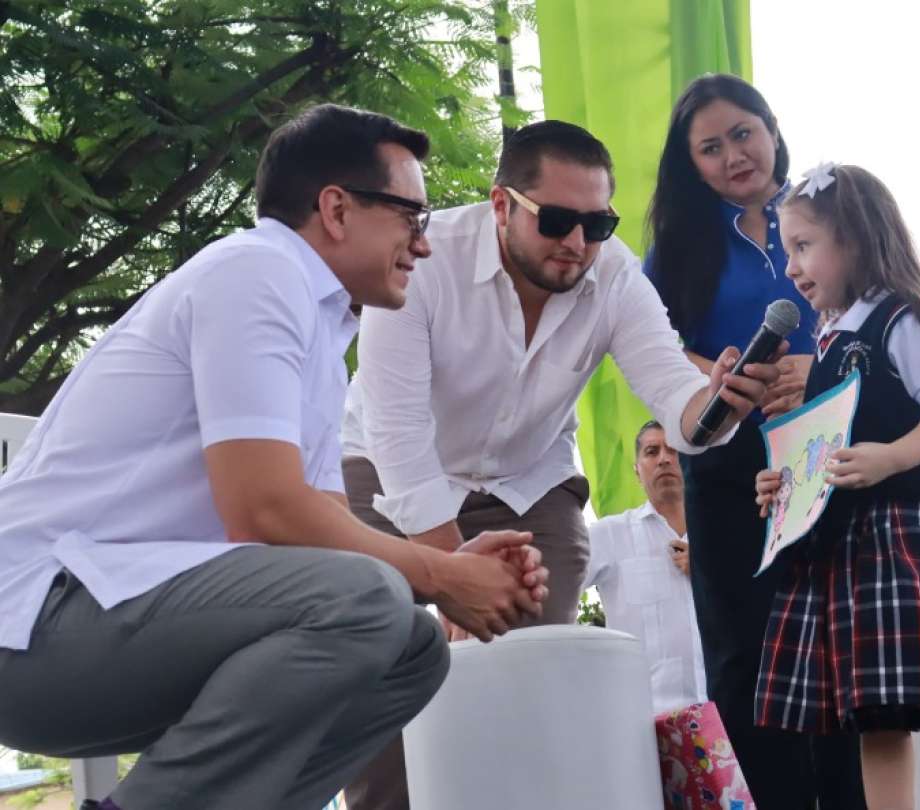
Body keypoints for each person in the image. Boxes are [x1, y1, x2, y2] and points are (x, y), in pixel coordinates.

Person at [0, 103, 550, 810]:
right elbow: (261, 508)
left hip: (113, 622)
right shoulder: (256, 272)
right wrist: (442, 573)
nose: (426, 244)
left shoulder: (321, 327)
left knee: (412, 649)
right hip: (37, 626)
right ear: (337, 209)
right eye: (414, 218)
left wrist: (454, 571)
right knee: (369, 601)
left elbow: (317, 525)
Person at [340, 119, 782, 810]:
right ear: (500, 205)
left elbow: (675, 397)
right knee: (382, 670)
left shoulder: (614, 273)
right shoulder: (423, 258)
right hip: (388, 473)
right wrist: (451, 574)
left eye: (597, 224)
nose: (578, 243)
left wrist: (719, 404)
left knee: (532, 674)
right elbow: (398, 433)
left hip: (529, 484)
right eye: (556, 221)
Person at [753, 163, 920, 810]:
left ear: (858, 241)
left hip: (904, 536)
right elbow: (823, 446)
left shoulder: (900, 318)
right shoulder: (830, 339)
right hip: (845, 548)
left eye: (804, 246)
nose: (793, 268)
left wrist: (893, 458)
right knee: (875, 708)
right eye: (788, 252)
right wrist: (784, 486)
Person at [644, 73, 863, 810]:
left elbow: (880, 314)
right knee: (744, 655)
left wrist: (818, 367)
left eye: (743, 132)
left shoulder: (832, 214)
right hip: (730, 461)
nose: (733, 155)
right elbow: (653, 346)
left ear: (771, 128)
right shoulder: (678, 246)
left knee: (835, 644)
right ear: (691, 164)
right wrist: (722, 379)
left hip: (833, 454)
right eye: (710, 147)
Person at [583, 420, 707, 715]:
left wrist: (708, 570)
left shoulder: (722, 534)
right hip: (648, 721)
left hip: (727, 712)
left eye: (674, 450)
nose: (664, 458)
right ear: (637, 470)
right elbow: (552, 585)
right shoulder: (610, 535)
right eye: (652, 452)